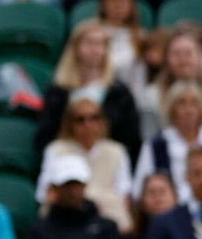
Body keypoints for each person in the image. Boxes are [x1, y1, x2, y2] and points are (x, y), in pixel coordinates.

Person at [35, 19, 142, 161]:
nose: (95, 49)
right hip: (66, 163)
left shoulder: (119, 93)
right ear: (75, 48)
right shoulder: (57, 92)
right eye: (90, 43)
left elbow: (130, 139)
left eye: (101, 44)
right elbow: (45, 137)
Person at [36, 96, 133, 232]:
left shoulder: (117, 151)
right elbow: (45, 193)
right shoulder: (56, 150)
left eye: (94, 117)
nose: (88, 124)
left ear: (102, 121)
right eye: (80, 119)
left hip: (105, 213)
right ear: (70, 123)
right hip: (66, 210)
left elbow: (123, 192)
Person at [133, 81, 202, 203]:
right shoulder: (155, 144)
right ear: (172, 109)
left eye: (194, 103)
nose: (188, 110)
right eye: (182, 103)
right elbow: (139, 189)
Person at [141, 29, 202, 138]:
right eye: (176, 54)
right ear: (167, 59)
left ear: (200, 57)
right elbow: (149, 139)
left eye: (188, 53)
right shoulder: (151, 95)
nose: (183, 59)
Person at [95, 0, 144, 89]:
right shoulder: (90, 34)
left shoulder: (141, 37)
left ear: (131, 4)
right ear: (102, 4)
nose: (118, 5)